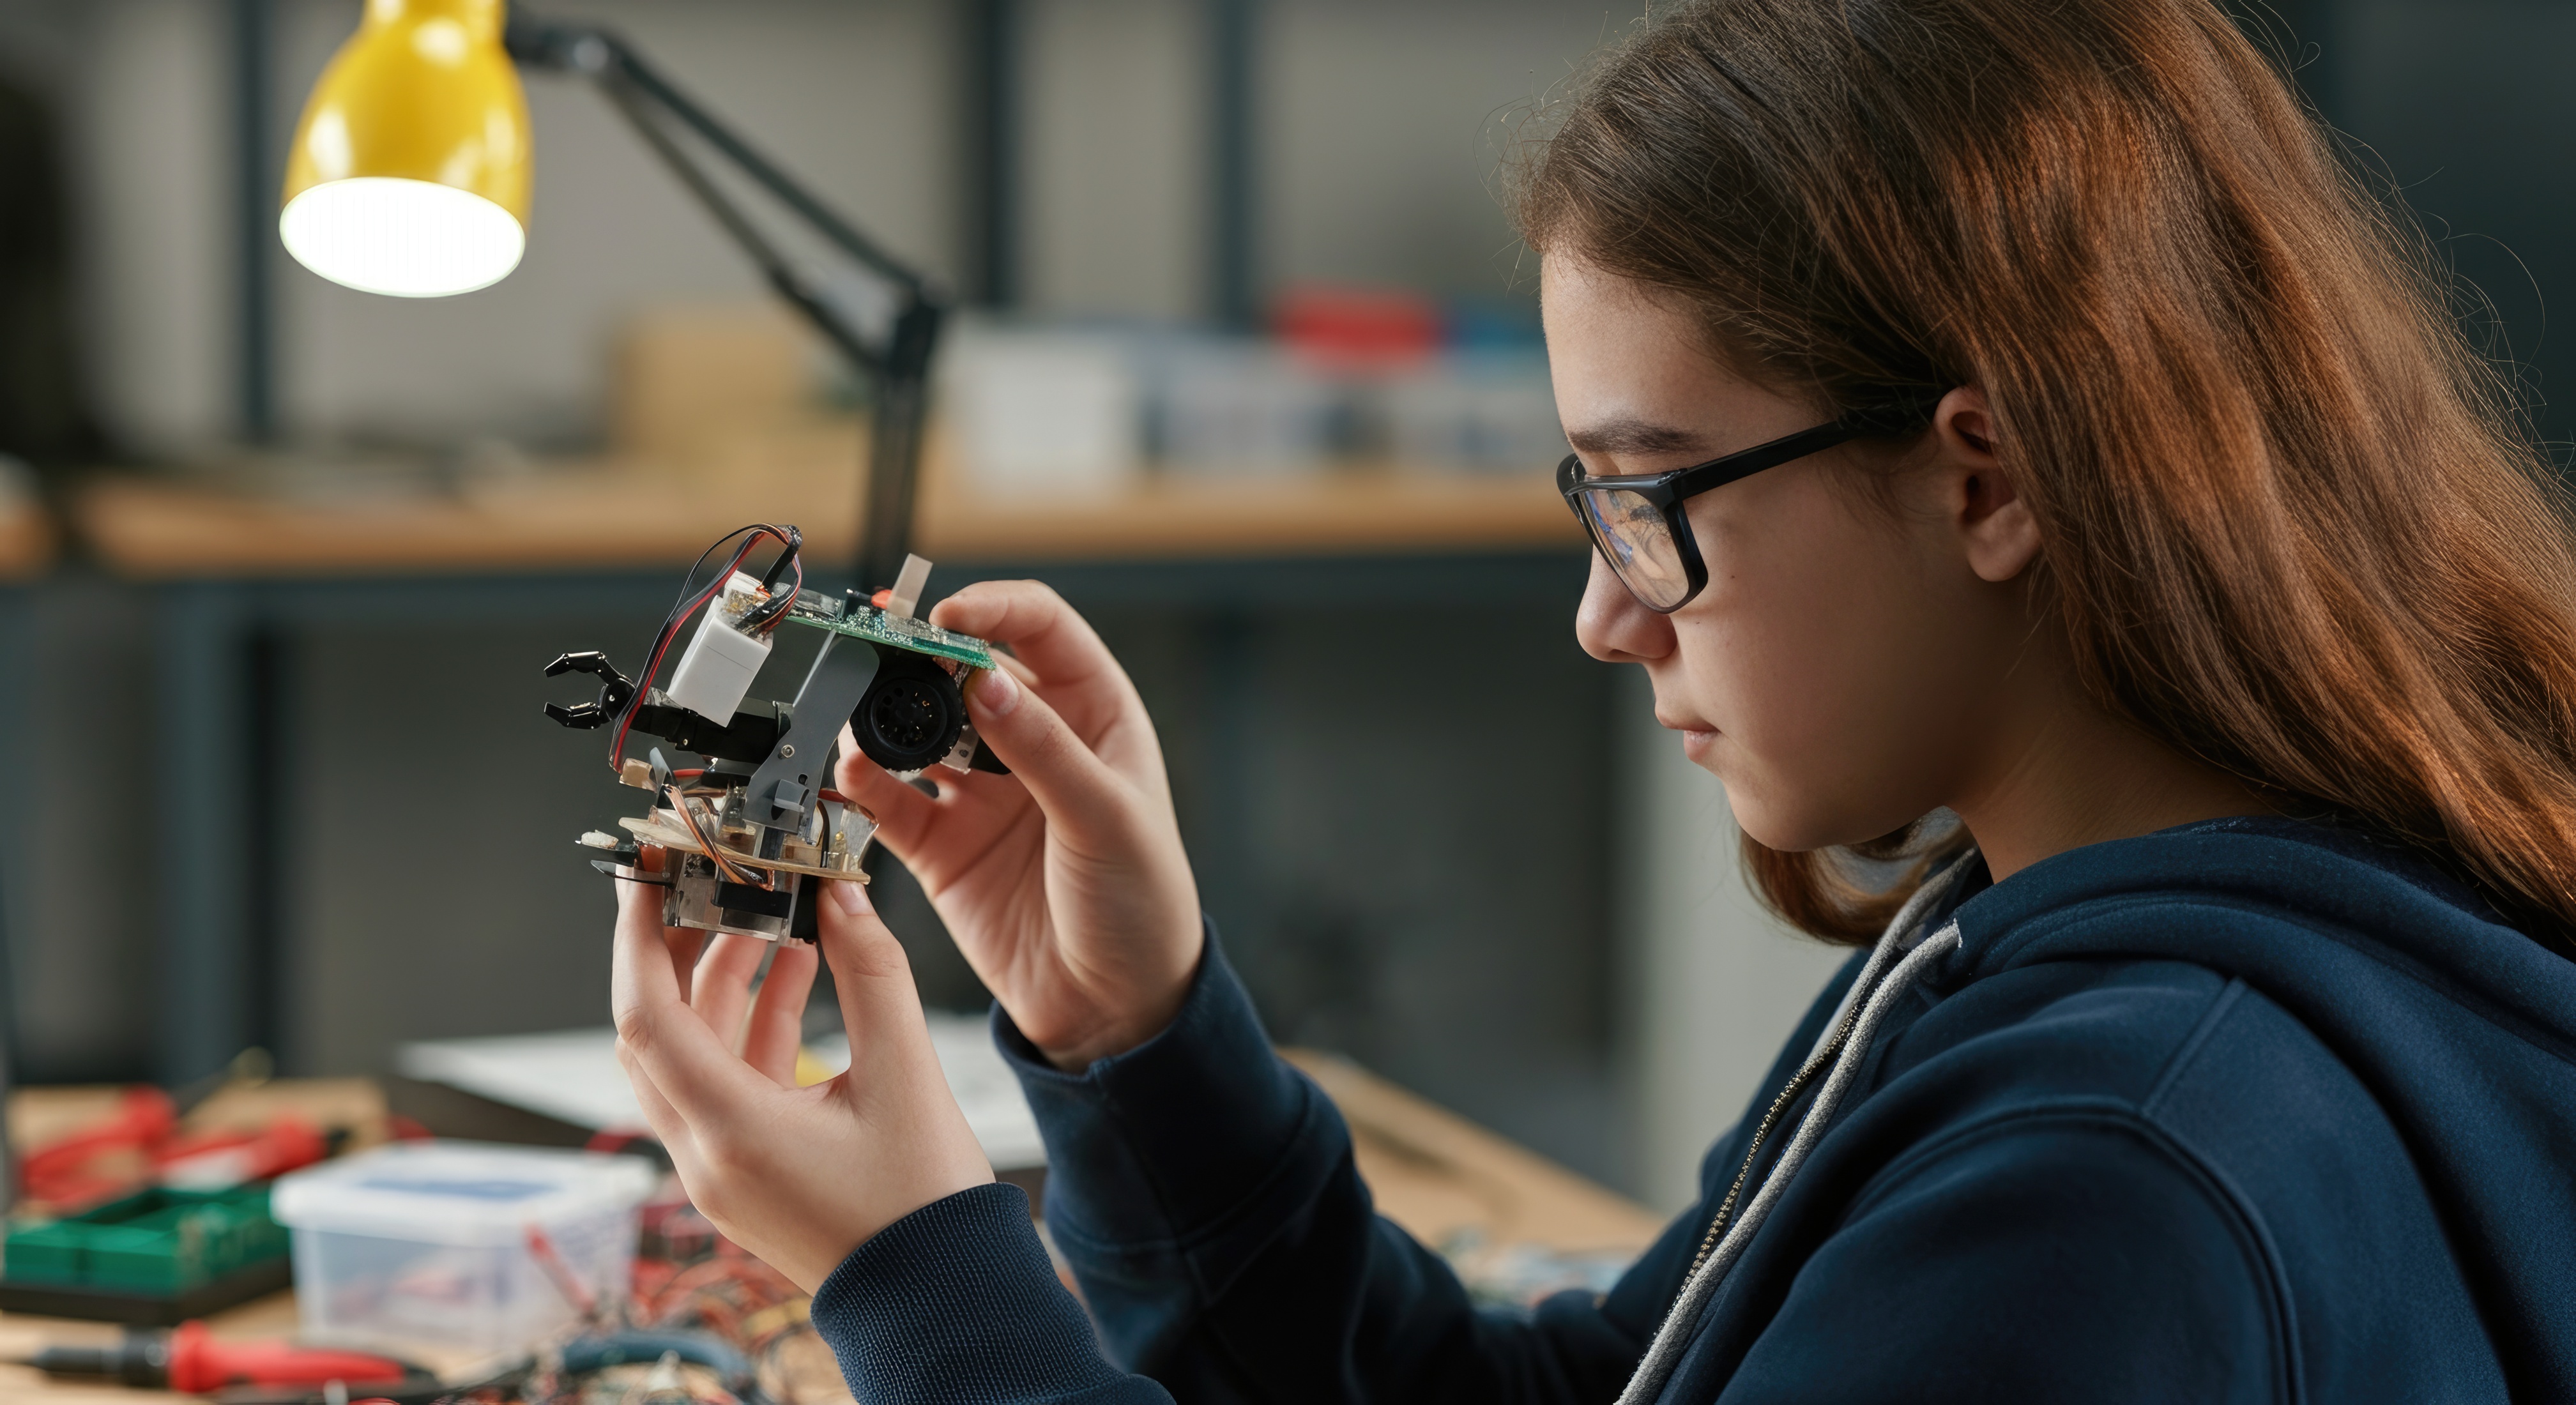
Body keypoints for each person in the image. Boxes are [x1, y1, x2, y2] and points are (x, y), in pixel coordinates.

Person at [605, 0, 2576, 1400]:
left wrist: (919, 1282)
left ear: (1982, 479)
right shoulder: (2067, 941)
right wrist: (1130, 1035)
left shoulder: (2118, 1162)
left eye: (1643, 500)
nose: (1602, 619)